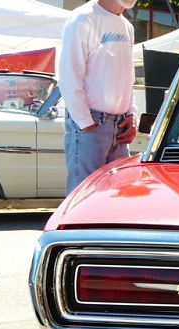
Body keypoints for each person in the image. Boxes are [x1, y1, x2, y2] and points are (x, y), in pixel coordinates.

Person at [58, 0, 137, 196]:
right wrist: (86, 123)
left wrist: (131, 114)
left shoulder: (127, 26)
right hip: (91, 123)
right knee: (83, 203)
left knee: (115, 203)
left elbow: (128, 77)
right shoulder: (82, 18)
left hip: (119, 126)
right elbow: (68, 75)